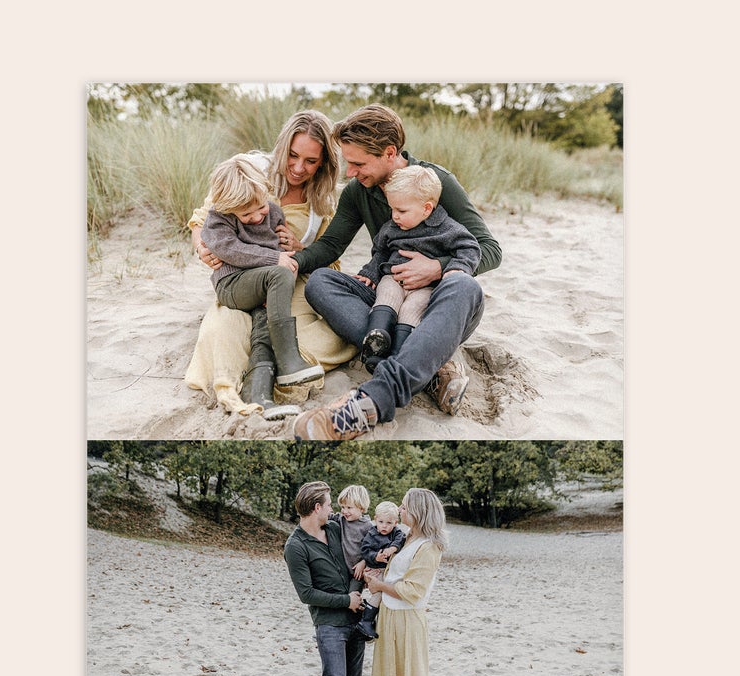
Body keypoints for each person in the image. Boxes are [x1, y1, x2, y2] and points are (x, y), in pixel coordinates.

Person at [292, 104, 503, 441]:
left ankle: (373, 400)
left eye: (359, 163)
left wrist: (437, 268)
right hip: (388, 298)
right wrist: (292, 261)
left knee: (464, 286)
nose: (350, 172)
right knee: (321, 282)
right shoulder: (358, 192)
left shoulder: (436, 182)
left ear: (389, 153)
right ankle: (429, 367)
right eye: (348, 162)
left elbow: (489, 250)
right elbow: (332, 246)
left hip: (437, 305)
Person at [185, 111, 356, 420]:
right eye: (292, 155)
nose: (298, 168)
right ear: (281, 148)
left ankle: (271, 376)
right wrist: (202, 246)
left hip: (291, 285)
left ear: (324, 163)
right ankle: (248, 382)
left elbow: (330, 258)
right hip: (241, 281)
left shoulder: (324, 201)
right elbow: (203, 219)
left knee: (335, 335)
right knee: (222, 332)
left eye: (310, 161)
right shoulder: (248, 172)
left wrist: (301, 248)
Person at [199, 154, 324, 388]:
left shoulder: (275, 213)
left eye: (261, 208)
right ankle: (288, 359)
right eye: (246, 215)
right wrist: (274, 259)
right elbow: (230, 249)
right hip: (232, 284)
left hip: (262, 284)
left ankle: (257, 387)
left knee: (263, 326)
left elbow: (280, 252)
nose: (256, 217)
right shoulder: (218, 218)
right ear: (228, 208)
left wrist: (284, 264)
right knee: (280, 271)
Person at [355, 165, 480, 373]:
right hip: (393, 278)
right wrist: (369, 273)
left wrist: (456, 267)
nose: (394, 216)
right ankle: (377, 337)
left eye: (401, 211)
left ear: (426, 208)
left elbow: (470, 247)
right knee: (386, 294)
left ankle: (398, 354)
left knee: (412, 308)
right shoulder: (392, 228)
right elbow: (380, 253)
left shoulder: (446, 229)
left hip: (424, 287)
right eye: (392, 209)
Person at [284, 481, 369, 676]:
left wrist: (358, 586)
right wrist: (346, 600)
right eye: (330, 504)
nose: (334, 509)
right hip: (329, 623)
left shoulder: (335, 529)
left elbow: (361, 542)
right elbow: (306, 594)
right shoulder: (295, 546)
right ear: (317, 508)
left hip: (356, 618)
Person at [364, 488, 447, 676]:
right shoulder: (409, 538)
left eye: (404, 506)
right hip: (391, 615)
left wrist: (380, 586)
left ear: (419, 511)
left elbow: (413, 590)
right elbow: (399, 574)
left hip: (407, 621)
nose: (400, 510)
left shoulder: (430, 546)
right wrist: (379, 576)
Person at [356, 500, 407, 641]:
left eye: (389, 523)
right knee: (379, 593)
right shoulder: (371, 534)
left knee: (385, 594)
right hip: (375, 568)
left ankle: (370, 613)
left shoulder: (397, 533)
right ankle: (366, 621)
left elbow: (400, 539)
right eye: (381, 522)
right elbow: (365, 551)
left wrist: (392, 549)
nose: (384, 526)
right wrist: (376, 557)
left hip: (388, 570)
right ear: (375, 520)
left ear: (396, 523)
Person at [327, 484, 372, 593]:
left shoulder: (367, 526)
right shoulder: (342, 519)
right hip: (343, 570)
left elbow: (373, 548)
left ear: (361, 508)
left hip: (358, 572)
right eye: (342, 507)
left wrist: (363, 562)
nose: (344, 511)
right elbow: (327, 516)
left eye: (349, 508)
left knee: (353, 594)